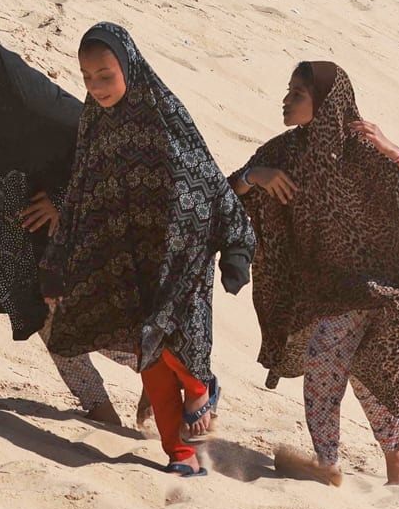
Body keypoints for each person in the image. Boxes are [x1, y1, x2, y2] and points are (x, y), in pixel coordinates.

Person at [42, 24, 253, 477]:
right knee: (150, 361)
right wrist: (57, 264)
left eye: (105, 75)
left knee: (175, 345)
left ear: (129, 68)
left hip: (178, 257)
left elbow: (211, 182)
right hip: (123, 255)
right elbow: (79, 189)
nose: (96, 88)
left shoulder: (165, 113)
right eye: (86, 78)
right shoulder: (94, 121)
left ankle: (202, 387)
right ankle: (182, 455)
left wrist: (236, 249)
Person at [233, 63, 399, 488]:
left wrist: (391, 148)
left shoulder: (361, 150)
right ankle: (396, 446)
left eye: (298, 94)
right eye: (288, 91)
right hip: (325, 286)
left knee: (325, 354)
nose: (287, 100)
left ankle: (329, 462)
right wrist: (256, 176)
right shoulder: (283, 152)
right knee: (356, 368)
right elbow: (225, 192)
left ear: (325, 103)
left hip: (384, 283)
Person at [0, 36, 122, 424]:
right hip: (27, 236)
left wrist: (60, 199)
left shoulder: (41, 108)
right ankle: (100, 409)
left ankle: (167, 368)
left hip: (81, 228)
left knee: (83, 320)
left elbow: (103, 149)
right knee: (45, 317)